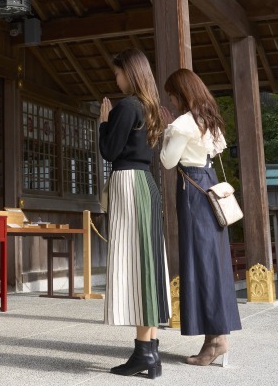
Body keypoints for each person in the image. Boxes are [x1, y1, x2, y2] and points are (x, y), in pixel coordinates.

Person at [160, 68, 242, 367]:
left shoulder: (182, 123)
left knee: (200, 263)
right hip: (209, 184)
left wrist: (166, 131)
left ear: (181, 93)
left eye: (171, 93)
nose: (169, 98)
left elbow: (168, 161)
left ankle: (217, 339)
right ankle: (214, 337)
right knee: (212, 263)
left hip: (193, 192)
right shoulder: (207, 118)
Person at [99, 49, 171, 379]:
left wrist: (103, 123)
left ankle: (144, 352)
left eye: (117, 73)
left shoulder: (127, 106)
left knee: (138, 267)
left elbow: (110, 151)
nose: (116, 79)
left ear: (129, 73)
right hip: (145, 183)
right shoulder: (152, 108)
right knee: (149, 264)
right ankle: (150, 350)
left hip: (128, 183)